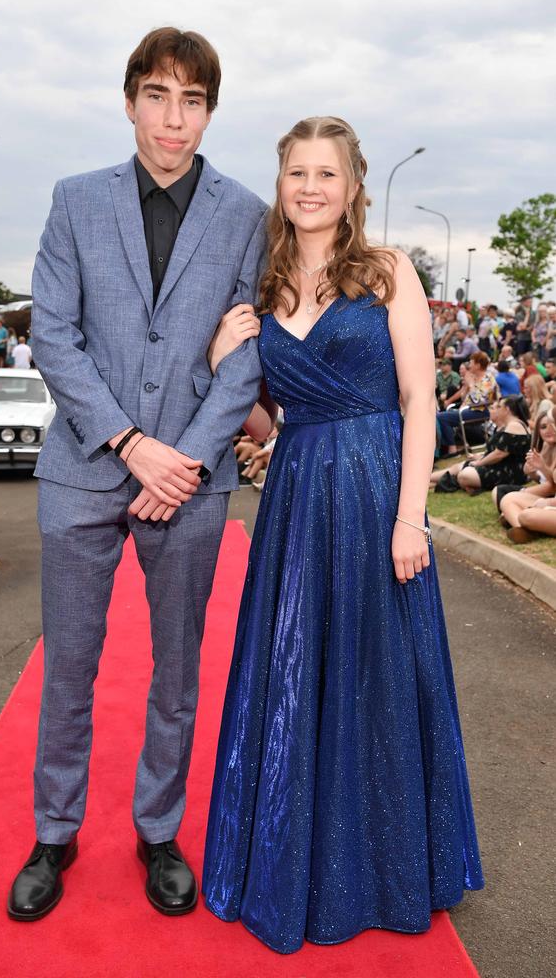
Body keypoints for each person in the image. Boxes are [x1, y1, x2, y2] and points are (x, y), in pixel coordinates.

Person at [202, 116, 483, 954]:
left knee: (376, 672)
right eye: (298, 173)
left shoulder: (390, 271)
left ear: (354, 187)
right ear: (281, 184)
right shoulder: (262, 286)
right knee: (295, 668)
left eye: (328, 173)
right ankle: (293, 855)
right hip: (294, 498)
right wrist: (226, 357)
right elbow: (263, 417)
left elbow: (419, 403)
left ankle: (388, 866)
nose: (312, 187)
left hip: (372, 490)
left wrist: (410, 518)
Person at [7, 27, 268, 923]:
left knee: (176, 671)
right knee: (70, 667)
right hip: (82, 469)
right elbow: (55, 336)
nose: (173, 117)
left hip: (190, 480)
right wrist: (130, 443)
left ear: (209, 113)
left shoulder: (245, 214)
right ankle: (55, 831)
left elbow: (245, 356)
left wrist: (184, 459)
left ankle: (159, 831)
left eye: (192, 100)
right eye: (157, 95)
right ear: (129, 102)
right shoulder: (76, 200)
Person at [453, 396, 531, 494]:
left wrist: (480, 462)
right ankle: (429, 480)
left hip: (511, 473)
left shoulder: (514, 425)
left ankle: (430, 480)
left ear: (507, 410)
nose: (496, 410)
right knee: (461, 470)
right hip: (504, 468)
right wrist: (481, 459)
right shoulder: (512, 424)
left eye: (499, 407)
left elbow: (500, 454)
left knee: (464, 474)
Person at [436, 350, 498, 456]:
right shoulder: (474, 377)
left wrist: (471, 385)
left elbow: (478, 401)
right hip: (469, 410)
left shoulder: (488, 379)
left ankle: (452, 449)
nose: (469, 365)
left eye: (471, 363)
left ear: (478, 365)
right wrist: (466, 387)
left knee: (442, 417)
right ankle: (450, 448)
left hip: (479, 411)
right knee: (441, 416)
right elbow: (465, 398)